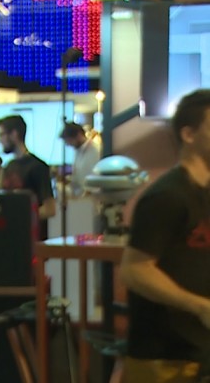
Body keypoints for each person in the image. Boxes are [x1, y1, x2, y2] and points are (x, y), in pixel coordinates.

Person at [120, 89, 210, 383]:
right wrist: (199, 306)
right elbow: (134, 271)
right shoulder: (167, 196)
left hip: (200, 352)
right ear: (189, 134)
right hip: (164, 358)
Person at [0, 115, 56, 240]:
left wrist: (20, 216)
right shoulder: (8, 167)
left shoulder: (38, 167)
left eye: (2, 135)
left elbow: (50, 209)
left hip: (32, 241)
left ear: (14, 134)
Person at [59, 122, 101, 197]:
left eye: (69, 141)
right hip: (81, 196)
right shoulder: (77, 152)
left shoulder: (95, 151)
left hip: (93, 197)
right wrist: (68, 180)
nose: (68, 144)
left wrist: (88, 192)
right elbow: (78, 177)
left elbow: (96, 178)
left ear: (79, 135)